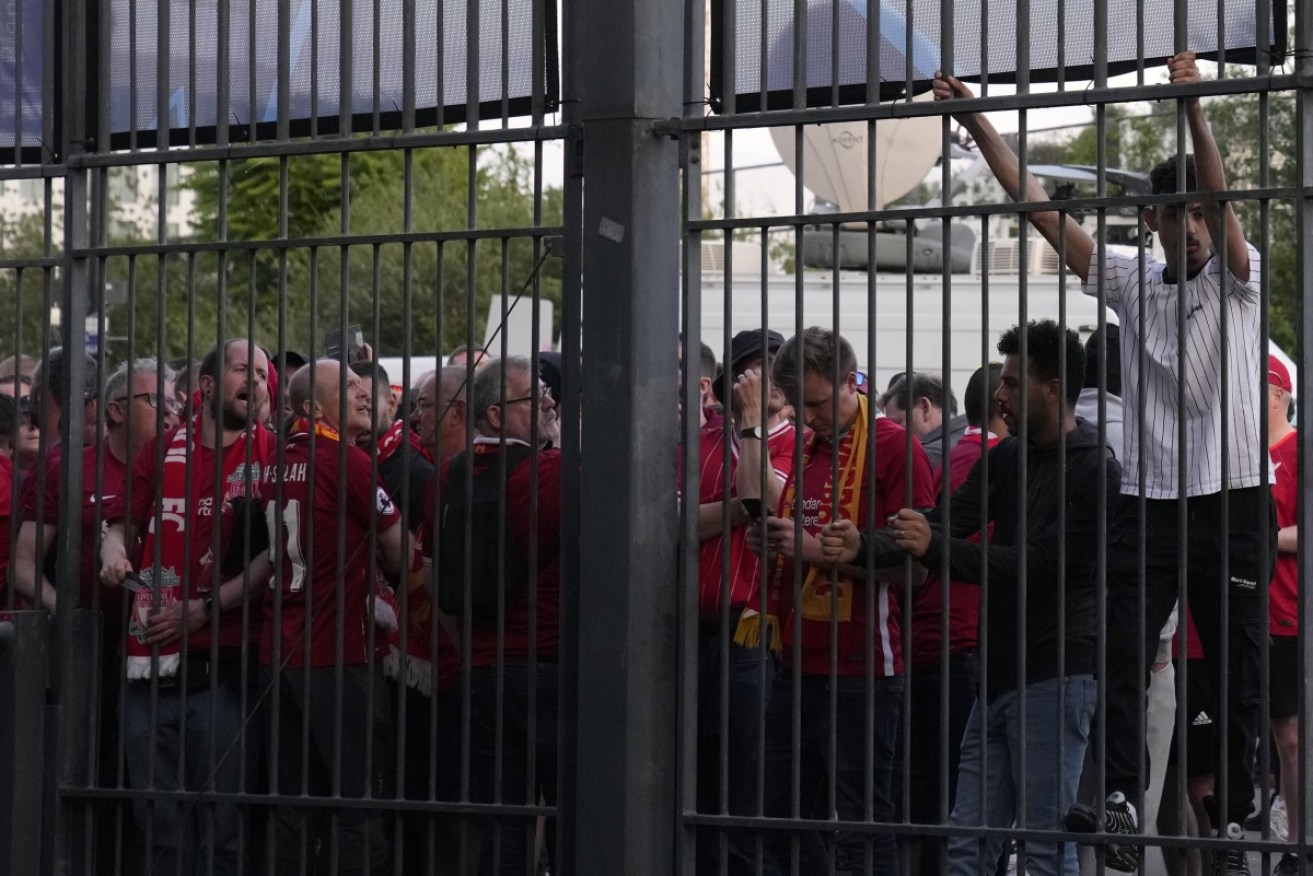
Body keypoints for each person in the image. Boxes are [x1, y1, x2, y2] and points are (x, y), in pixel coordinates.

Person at [935, 53, 1270, 873]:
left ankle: (1232, 812)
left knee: (1233, 662)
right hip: (1150, 499)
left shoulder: (1238, 274)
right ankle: (1120, 797)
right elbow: (1039, 210)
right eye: (1172, 214)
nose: (1188, 225)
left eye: (1197, 212)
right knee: (1120, 650)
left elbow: (1224, 203)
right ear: (1150, 224)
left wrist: (1192, 107)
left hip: (1229, 497)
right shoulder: (1128, 279)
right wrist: (978, 124)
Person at [824, 319, 1119, 876]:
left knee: (1044, 848)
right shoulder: (1006, 459)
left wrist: (933, 546)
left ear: (1052, 388)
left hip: (1056, 672)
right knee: (967, 843)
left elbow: (1040, 565)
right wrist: (866, 544)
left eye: (1011, 382)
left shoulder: (1091, 468)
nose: (998, 394)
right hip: (997, 676)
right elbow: (945, 523)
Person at [748, 326, 935, 874]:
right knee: (785, 819)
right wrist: (776, 544)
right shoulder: (809, 449)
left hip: (864, 670)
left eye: (818, 403)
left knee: (860, 823)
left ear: (850, 381)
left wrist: (814, 551)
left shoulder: (896, 447)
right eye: (800, 406)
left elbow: (919, 568)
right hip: (794, 663)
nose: (808, 417)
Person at [99, 339, 275, 876]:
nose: (259, 382)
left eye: (264, 375)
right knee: (159, 827)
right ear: (204, 386)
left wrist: (203, 609)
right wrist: (113, 551)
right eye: (244, 370)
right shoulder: (162, 451)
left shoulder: (275, 452)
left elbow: (274, 554)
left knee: (224, 831)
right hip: (146, 666)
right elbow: (123, 522)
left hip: (224, 672)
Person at [262, 359, 406, 876]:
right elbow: (401, 552)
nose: (364, 392)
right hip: (341, 653)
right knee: (359, 805)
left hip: (281, 654)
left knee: (292, 806)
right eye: (347, 387)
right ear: (313, 408)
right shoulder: (347, 462)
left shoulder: (278, 460)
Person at [425, 355, 562, 875]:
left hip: (482, 676)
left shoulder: (447, 479)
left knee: (503, 823)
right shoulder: (551, 473)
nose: (550, 401)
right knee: (572, 818)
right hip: (552, 673)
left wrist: (477, 655)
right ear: (498, 415)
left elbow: (436, 584)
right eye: (536, 396)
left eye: (548, 392)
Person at [693, 328, 800, 876]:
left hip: (756, 633)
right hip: (692, 632)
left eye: (779, 368)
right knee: (699, 783)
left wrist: (734, 503)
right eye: (757, 370)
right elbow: (675, 521)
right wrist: (739, 505)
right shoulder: (703, 442)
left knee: (752, 781)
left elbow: (767, 499)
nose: (771, 381)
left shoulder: (800, 442)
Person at [901, 361, 1005, 875]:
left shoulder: (946, 457)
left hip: (929, 637)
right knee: (967, 799)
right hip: (967, 643)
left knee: (927, 797)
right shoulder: (993, 462)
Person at [1264, 356, 1305, 876]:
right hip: (1236, 609)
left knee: (1290, 738)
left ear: (1277, 393)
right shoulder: (1233, 452)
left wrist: (1263, 542)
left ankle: (1297, 843)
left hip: (1288, 611)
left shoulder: (1300, 450)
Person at [881, 371, 966, 470]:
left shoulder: (925, 457)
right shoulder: (976, 438)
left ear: (925, 407)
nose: (892, 432)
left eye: (896, 422)